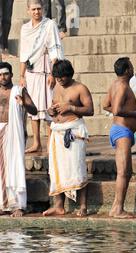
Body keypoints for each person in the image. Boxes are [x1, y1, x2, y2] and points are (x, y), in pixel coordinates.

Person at [42, 60, 94, 217]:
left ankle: (83, 206)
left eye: (62, 78)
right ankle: (59, 206)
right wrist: (51, 111)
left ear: (69, 75)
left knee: (76, 168)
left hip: (74, 132)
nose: (59, 81)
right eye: (57, 78)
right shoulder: (56, 86)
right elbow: (53, 106)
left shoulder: (80, 88)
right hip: (57, 131)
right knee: (56, 170)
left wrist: (71, 107)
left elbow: (90, 110)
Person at [19, 0, 64, 154]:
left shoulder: (49, 25)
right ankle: (36, 143)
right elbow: (23, 53)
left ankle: (51, 143)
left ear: (43, 9)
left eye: (39, 9)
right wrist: (21, 75)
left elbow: (54, 49)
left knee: (49, 109)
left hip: (46, 72)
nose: (36, 12)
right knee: (34, 110)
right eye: (33, 9)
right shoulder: (25, 29)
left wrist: (53, 73)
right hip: (31, 72)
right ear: (28, 11)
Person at [102, 57, 136, 218]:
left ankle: (115, 207)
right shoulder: (122, 86)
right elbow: (117, 110)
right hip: (122, 132)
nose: (133, 69)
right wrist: (134, 113)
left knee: (128, 171)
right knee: (123, 172)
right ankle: (118, 209)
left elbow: (105, 105)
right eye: (131, 66)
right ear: (127, 70)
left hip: (122, 132)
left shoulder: (115, 85)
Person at [0, 62, 38, 217]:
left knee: (15, 167)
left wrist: (24, 104)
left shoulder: (19, 90)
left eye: (6, 74)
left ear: (11, 74)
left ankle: (18, 205)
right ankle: (2, 204)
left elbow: (34, 110)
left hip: (13, 133)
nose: (3, 77)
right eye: (0, 74)